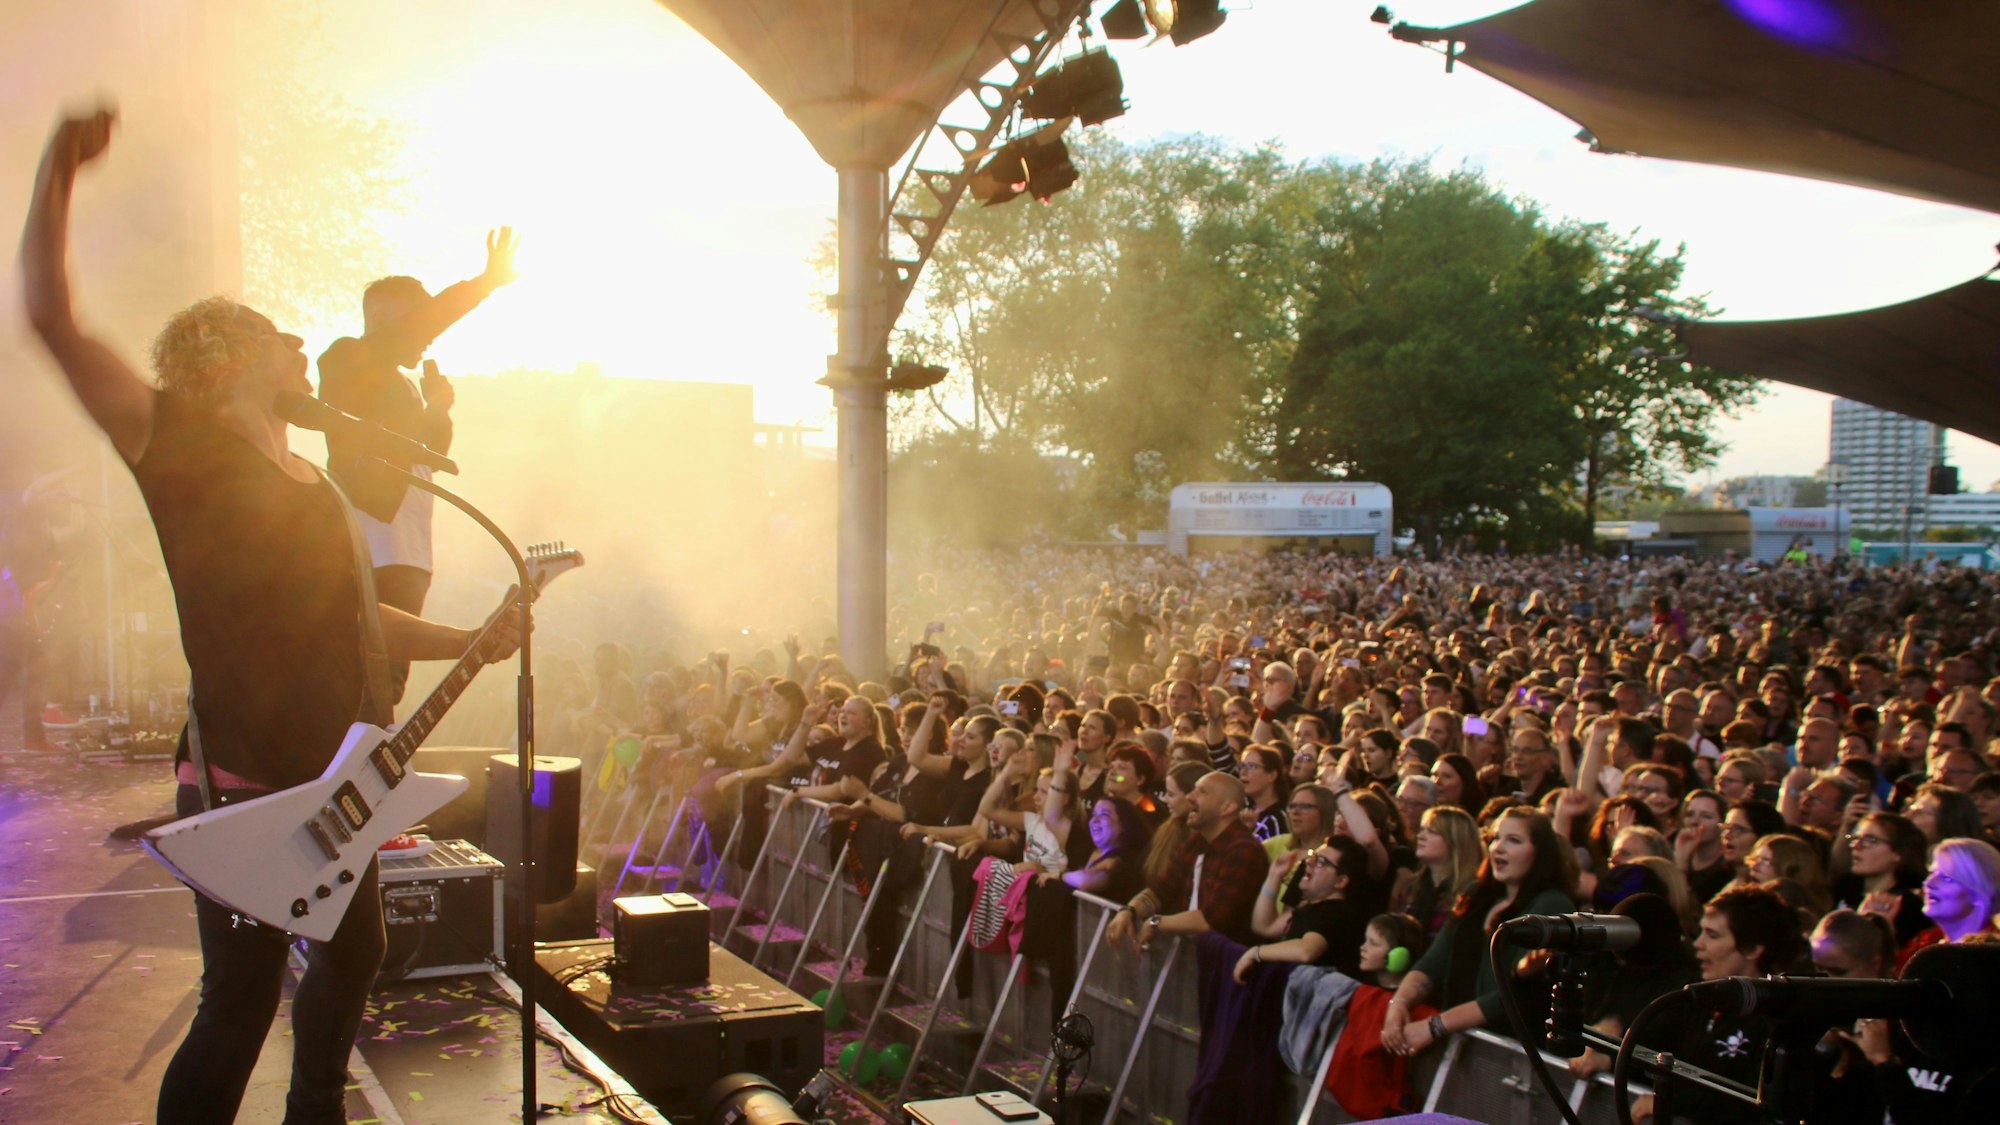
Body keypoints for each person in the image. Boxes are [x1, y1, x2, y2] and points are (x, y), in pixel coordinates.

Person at [21, 108, 523, 1125]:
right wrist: (57, 171)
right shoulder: (178, 446)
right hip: (243, 772)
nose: (301, 345)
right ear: (217, 358)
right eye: (275, 336)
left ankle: (315, 1114)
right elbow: (52, 320)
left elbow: (362, 627)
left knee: (359, 953)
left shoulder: (314, 479)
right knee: (240, 1001)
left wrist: (477, 638)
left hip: (334, 775)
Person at [316, 227, 517, 707]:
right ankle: (350, 766)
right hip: (372, 536)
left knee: (390, 679)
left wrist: (437, 409)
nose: (427, 336)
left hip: (408, 545)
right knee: (370, 668)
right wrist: (484, 283)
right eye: (419, 318)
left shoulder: (398, 383)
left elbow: (429, 455)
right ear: (385, 318)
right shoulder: (348, 358)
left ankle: (369, 758)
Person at [1382, 808, 1579, 1056]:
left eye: (1514, 840)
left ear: (1540, 853)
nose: (1498, 847)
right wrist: (1398, 1003)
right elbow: (1433, 962)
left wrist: (1436, 1025)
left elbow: (1509, 997)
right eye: (1496, 838)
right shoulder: (1477, 893)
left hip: (1509, 1055)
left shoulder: (1552, 905)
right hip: (1460, 1047)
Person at [1106, 770, 1268, 949]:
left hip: (1225, 966)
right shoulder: (1198, 841)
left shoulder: (1243, 851)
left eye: (1202, 792)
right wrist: (1129, 911)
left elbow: (1212, 919)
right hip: (1193, 961)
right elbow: (1162, 889)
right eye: (1193, 790)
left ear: (1227, 807)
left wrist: (1156, 923)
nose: (1190, 797)